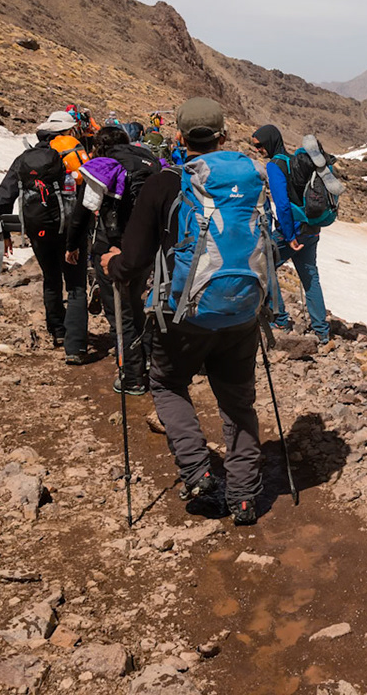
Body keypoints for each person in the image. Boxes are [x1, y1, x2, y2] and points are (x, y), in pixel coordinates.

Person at [101, 97, 270, 526]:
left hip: (183, 315)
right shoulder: (249, 182)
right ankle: (246, 496)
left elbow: (134, 259)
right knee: (237, 400)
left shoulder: (165, 184)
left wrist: (110, 263)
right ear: (223, 137)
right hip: (242, 311)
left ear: (179, 137)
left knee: (168, 383)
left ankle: (198, 473)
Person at [0, 111, 93, 365]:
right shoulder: (72, 156)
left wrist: (2, 228)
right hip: (71, 229)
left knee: (50, 278)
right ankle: (75, 347)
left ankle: (58, 332)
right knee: (76, 285)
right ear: (66, 132)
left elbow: (5, 194)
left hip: (38, 230)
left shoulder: (25, 159)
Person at [67, 125, 157, 395]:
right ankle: (149, 360)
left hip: (111, 247)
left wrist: (73, 245)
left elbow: (83, 211)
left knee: (120, 314)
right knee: (137, 304)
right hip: (144, 247)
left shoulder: (101, 166)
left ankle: (132, 377)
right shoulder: (148, 161)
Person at [250, 125, 331, 345]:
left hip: (293, 231)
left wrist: (289, 236)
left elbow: (283, 206)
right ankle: (322, 331)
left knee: (263, 263)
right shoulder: (293, 161)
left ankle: (280, 319)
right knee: (310, 277)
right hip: (311, 228)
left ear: (269, 141)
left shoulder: (276, 166)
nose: (257, 150)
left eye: (259, 145)